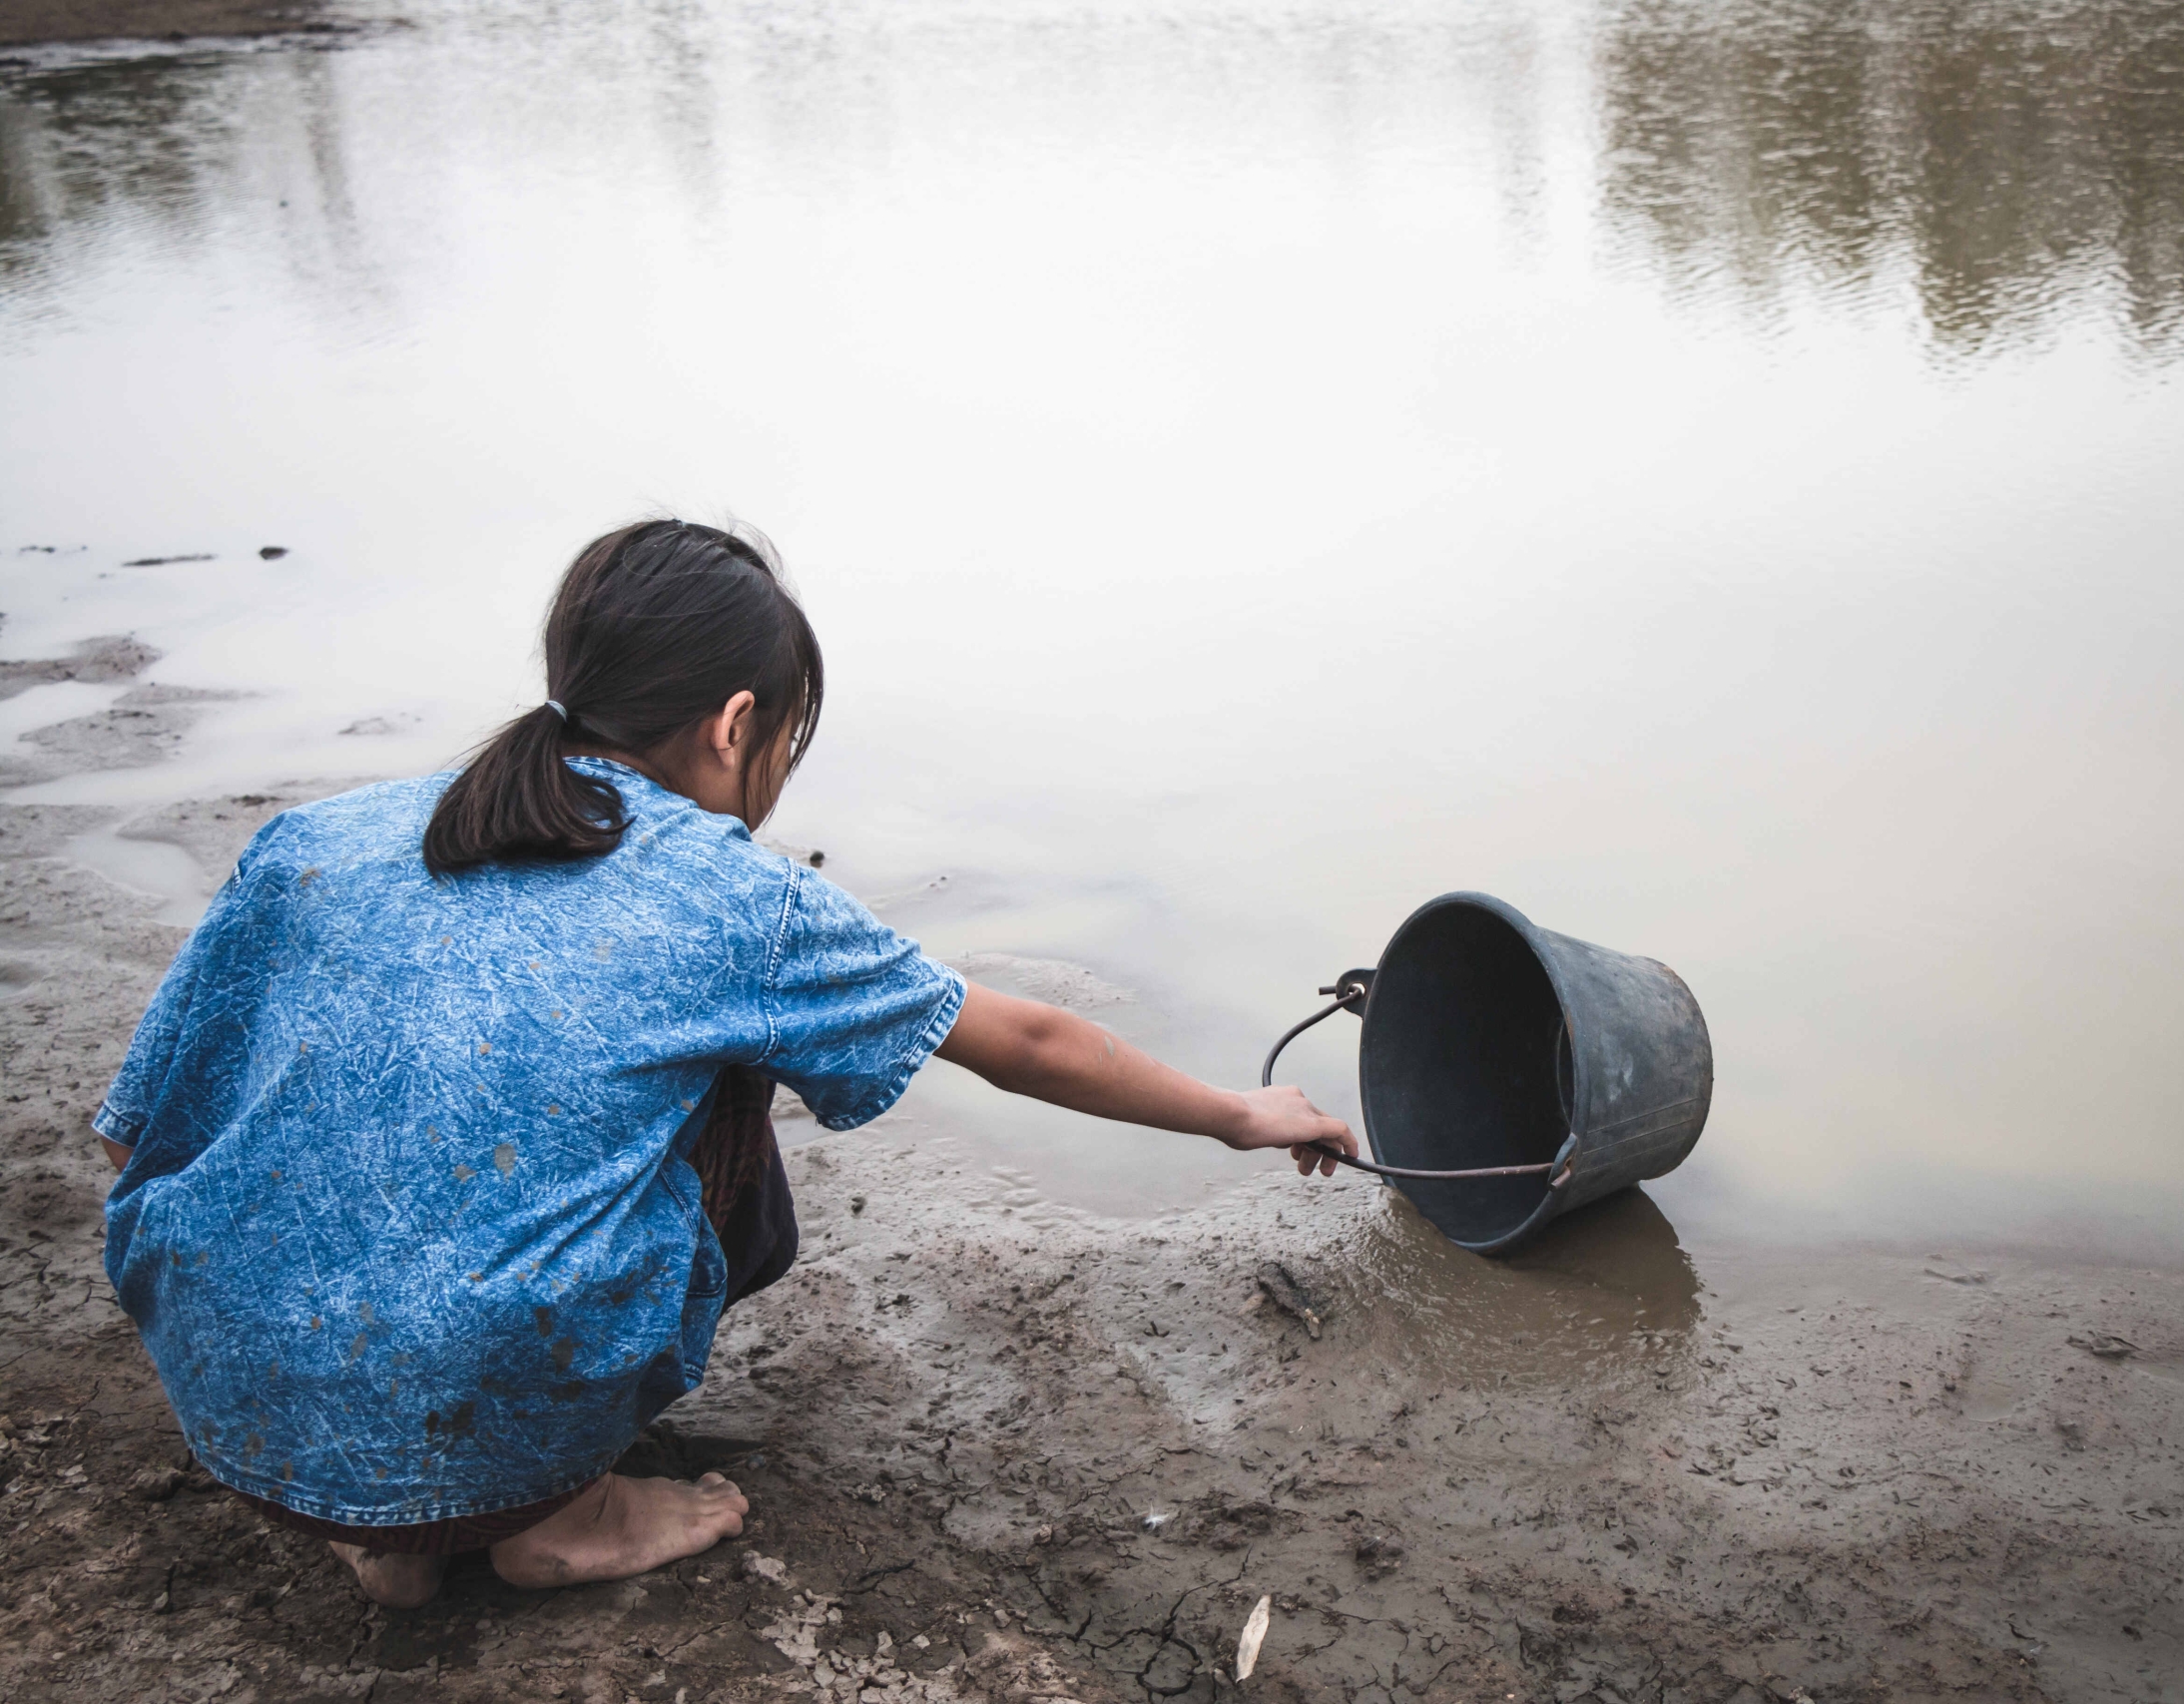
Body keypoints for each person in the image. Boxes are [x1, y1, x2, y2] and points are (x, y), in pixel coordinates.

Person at [93, 519, 1357, 1609]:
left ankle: (391, 1537)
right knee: (734, 1093)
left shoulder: (318, 836)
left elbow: (136, 1124)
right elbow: (1024, 1042)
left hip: (235, 1405)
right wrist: (1236, 1113)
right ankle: (555, 1515)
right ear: (737, 723)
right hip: (468, 1399)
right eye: (785, 738)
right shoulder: (730, 899)